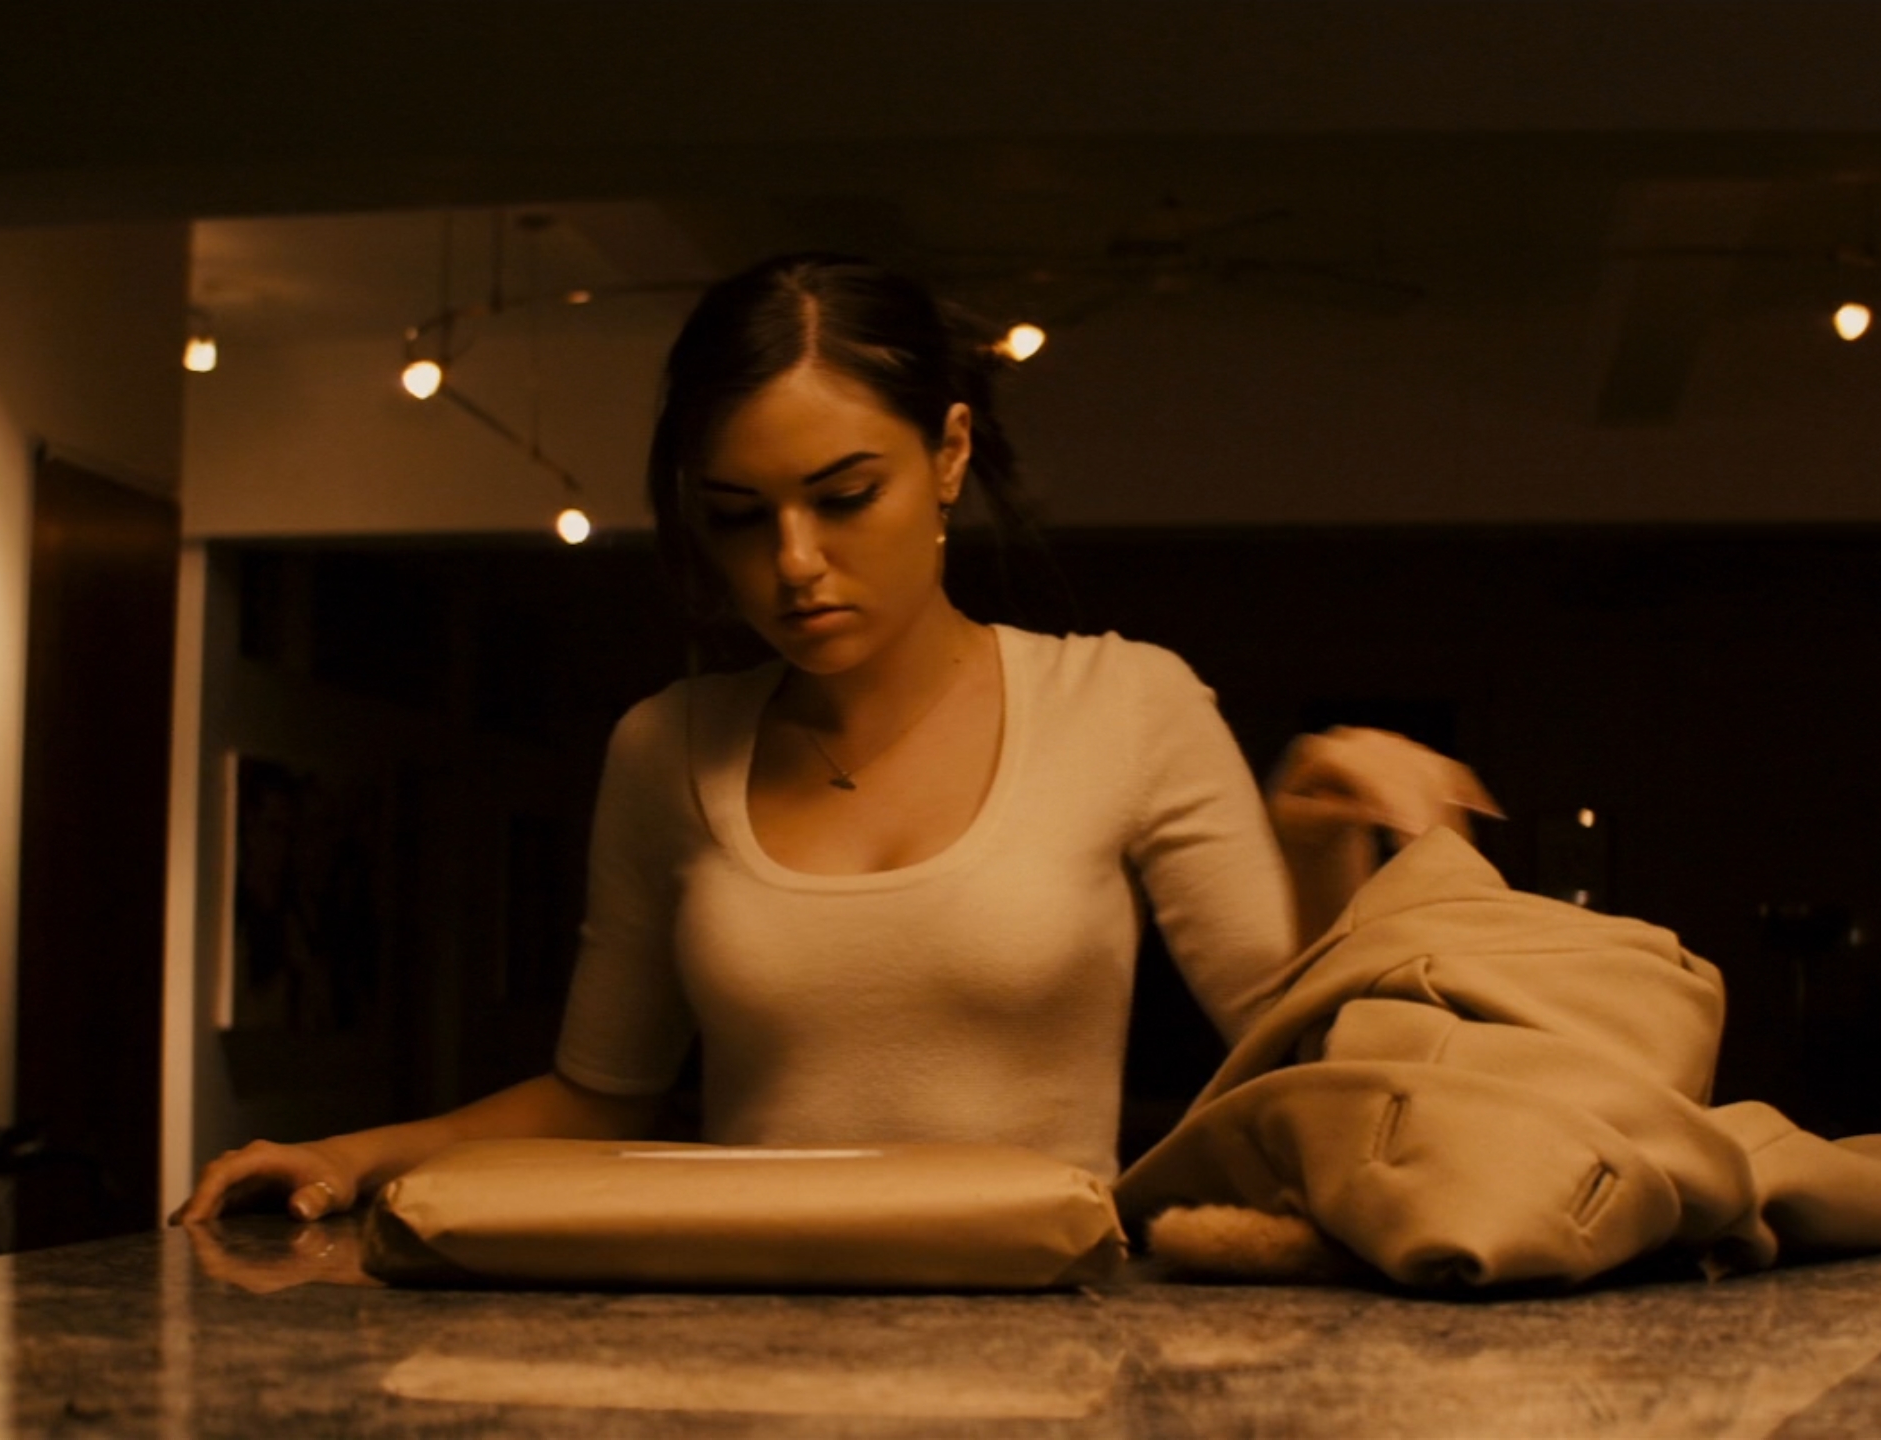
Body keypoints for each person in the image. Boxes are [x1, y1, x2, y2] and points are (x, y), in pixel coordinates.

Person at [175, 254, 1495, 1225]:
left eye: (844, 495)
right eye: (738, 515)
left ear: (949, 455)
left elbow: (1289, 1048)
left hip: (1033, 1344)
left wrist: (1322, 849)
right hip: (743, 1327)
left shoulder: (1125, 704)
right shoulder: (664, 749)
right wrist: (352, 1156)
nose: (794, 562)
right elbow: (600, 1095)